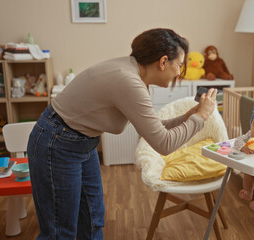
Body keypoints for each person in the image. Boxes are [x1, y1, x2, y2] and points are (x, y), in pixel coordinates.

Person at [27, 28, 218, 239]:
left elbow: (152, 128)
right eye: (179, 65)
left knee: (92, 219)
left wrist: (187, 118)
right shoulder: (129, 82)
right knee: (59, 232)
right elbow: (163, 143)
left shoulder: (133, 74)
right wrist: (199, 118)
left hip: (80, 141)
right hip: (58, 142)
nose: (178, 73)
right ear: (163, 61)